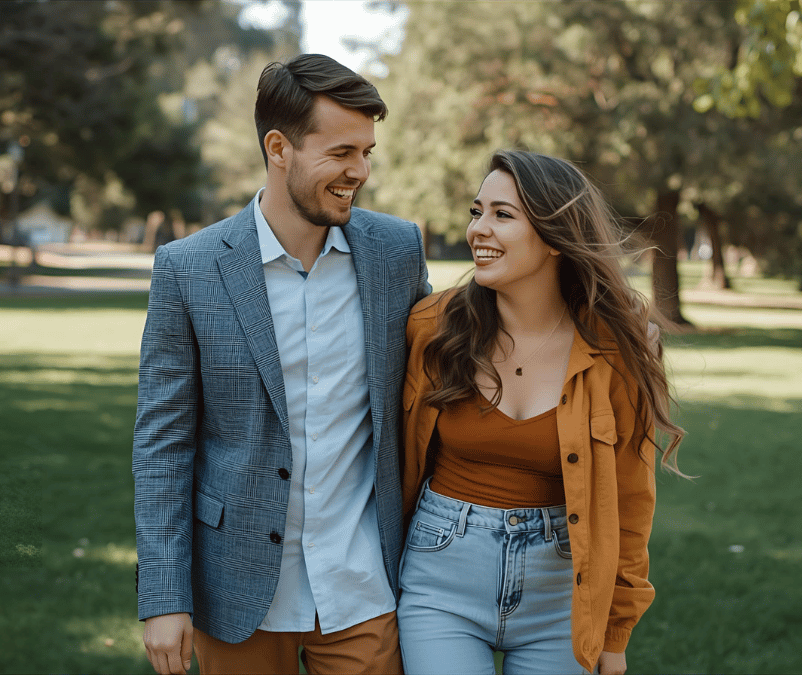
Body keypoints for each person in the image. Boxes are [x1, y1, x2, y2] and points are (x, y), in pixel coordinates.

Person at [133, 53, 430, 675]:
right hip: (234, 590)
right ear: (279, 148)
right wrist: (163, 596)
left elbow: (446, 358)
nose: (362, 171)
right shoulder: (188, 267)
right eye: (342, 153)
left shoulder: (397, 251)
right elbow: (162, 442)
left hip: (363, 587)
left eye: (367, 151)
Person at [398, 150, 685, 675]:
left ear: (556, 236)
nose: (478, 230)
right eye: (476, 211)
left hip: (564, 597)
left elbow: (631, 499)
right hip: (442, 580)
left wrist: (615, 633)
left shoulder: (614, 351)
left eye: (503, 215)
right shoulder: (432, 327)